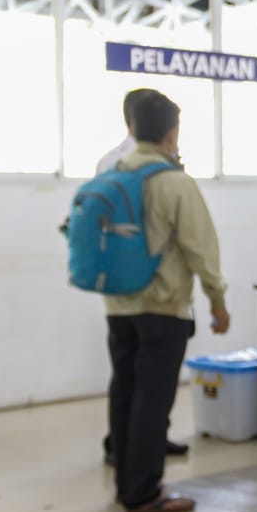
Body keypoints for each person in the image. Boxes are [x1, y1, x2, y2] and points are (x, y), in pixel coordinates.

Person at [104, 91, 230, 512]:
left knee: (125, 392)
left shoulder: (111, 174)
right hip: (163, 307)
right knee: (152, 400)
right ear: (172, 133)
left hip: (118, 307)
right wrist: (218, 300)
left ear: (133, 128)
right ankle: (143, 492)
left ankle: (126, 483)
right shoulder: (175, 182)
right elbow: (200, 248)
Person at [97, 86, 188, 465]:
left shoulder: (108, 162)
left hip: (119, 288)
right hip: (157, 289)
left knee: (127, 375)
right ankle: (138, 450)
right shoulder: (158, 167)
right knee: (151, 382)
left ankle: (129, 444)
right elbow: (180, 228)